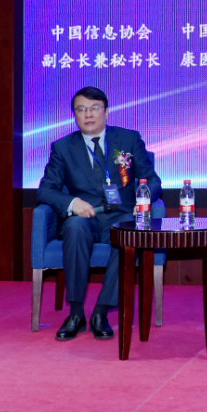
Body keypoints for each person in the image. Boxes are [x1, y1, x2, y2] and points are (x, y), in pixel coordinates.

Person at [36, 86, 161, 341]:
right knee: (74, 227)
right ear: (74, 115)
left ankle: (101, 312)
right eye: (81, 110)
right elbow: (46, 190)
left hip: (122, 214)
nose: (88, 114)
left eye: (94, 108)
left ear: (106, 111)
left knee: (129, 234)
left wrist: (143, 198)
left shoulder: (128, 139)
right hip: (86, 215)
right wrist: (72, 202)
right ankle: (76, 313)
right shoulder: (63, 147)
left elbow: (152, 179)